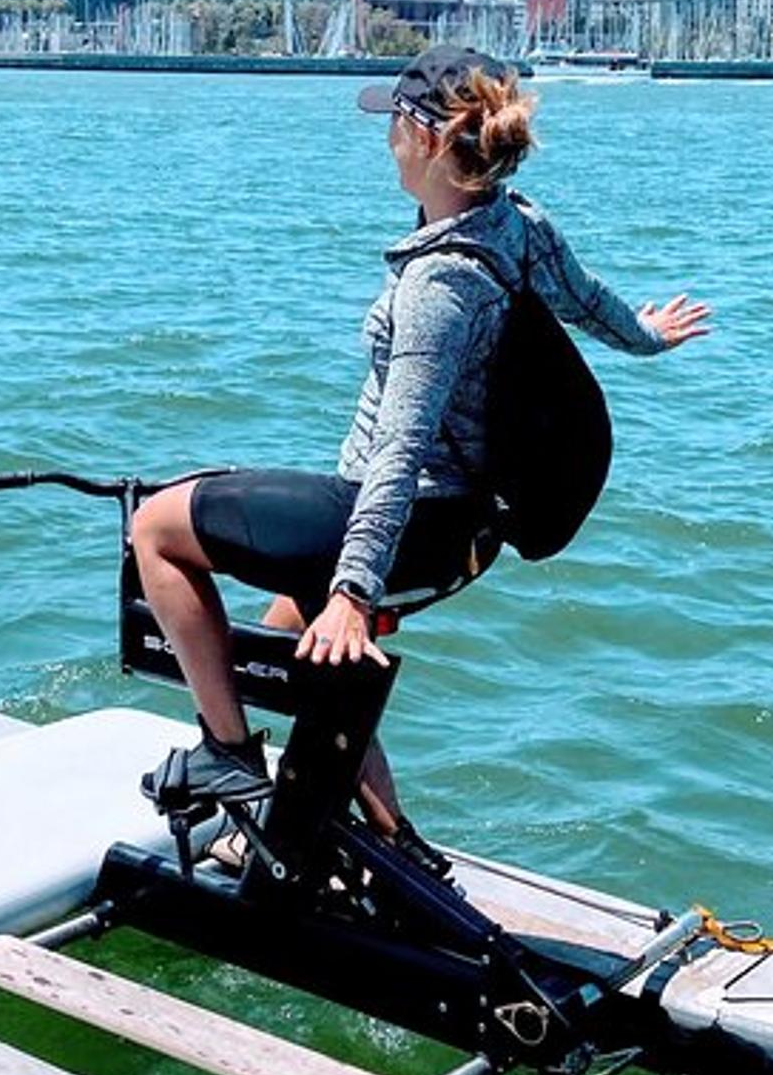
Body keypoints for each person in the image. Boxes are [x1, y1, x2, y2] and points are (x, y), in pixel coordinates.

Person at [132, 46, 712, 872]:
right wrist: (651, 337)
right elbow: (589, 304)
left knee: (158, 527)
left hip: (404, 521)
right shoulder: (514, 222)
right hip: (464, 525)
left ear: (427, 138)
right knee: (294, 642)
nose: (385, 138)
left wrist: (351, 590)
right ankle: (391, 839)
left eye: (392, 123)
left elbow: (398, 454)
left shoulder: (439, 286)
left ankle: (225, 752)